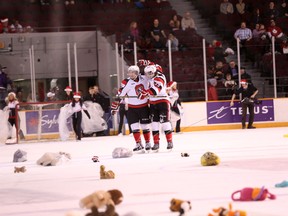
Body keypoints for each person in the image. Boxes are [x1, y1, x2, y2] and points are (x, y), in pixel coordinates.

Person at [112, 65, 151, 152]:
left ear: (137, 72)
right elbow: (121, 94)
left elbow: (153, 78)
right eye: (129, 72)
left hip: (143, 107)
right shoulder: (127, 82)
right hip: (132, 108)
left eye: (132, 72)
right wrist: (116, 104)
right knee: (134, 127)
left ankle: (148, 142)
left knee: (145, 126)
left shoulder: (144, 78)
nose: (130, 74)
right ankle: (138, 143)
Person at [139, 64, 174, 151]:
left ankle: (169, 141)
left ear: (155, 71)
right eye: (147, 73)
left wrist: (145, 93)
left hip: (162, 101)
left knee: (165, 122)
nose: (148, 75)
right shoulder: (150, 76)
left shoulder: (160, 77)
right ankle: (156, 143)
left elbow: (155, 91)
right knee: (154, 124)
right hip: (153, 103)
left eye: (150, 73)